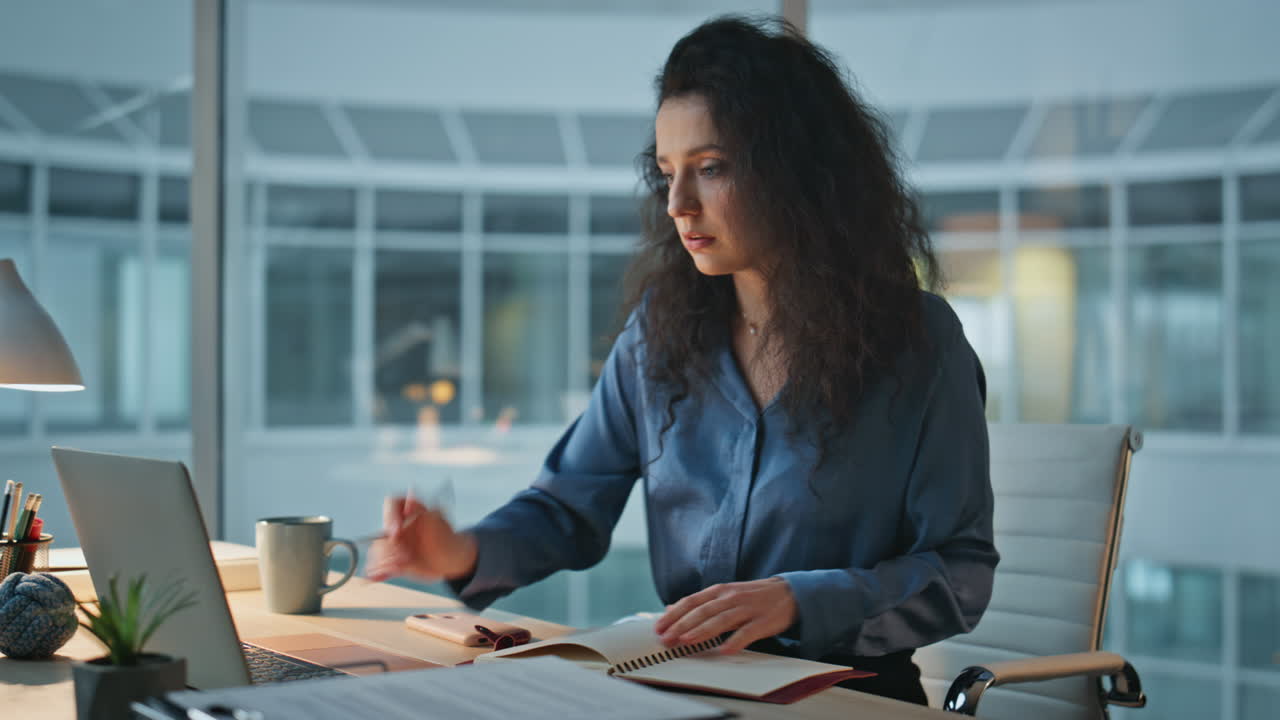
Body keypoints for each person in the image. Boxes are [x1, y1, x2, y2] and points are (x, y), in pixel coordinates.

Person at [369, 15, 997, 706]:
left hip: (849, 700)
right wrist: (459, 552)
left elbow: (960, 573)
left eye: (711, 168)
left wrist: (799, 600)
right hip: (682, 689)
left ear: (796, 172)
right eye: (667, 173)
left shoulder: (918, 344)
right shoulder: (661, 336)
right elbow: (568, 505)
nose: (677, 204)